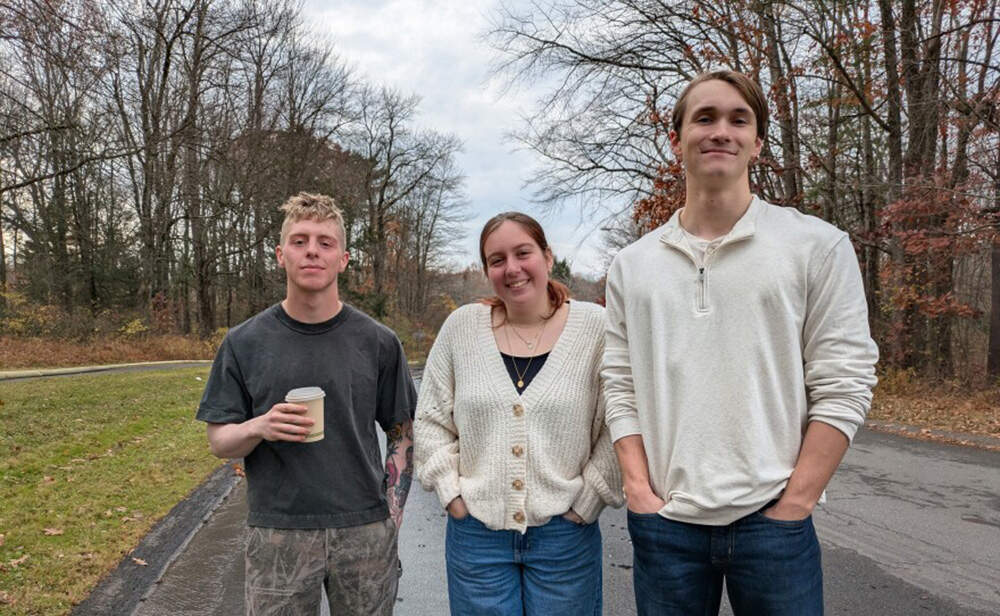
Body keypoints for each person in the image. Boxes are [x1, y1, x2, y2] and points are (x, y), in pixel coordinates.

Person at [602, 70, 879, 616]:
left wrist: (796, 501)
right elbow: (619, 382)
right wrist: (639, 490)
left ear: (758, 141)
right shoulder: (632, 266)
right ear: (677, 138)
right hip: (667, 526)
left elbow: (845, 381)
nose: (720, 131)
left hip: (774, 524)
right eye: (703, 118)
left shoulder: (816, 246)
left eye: (738, 119)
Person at [196, 192, 416, 615]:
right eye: (299, 241)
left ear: (344, 259)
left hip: (364, 529)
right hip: (278, 531)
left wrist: (391, 515)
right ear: (281, 255)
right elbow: (220, 441)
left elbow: (402, 433)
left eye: (325, 242)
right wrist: (259, 426)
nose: (312, 250)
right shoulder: (244, 342)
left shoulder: (378, 342)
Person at [414, 212, 623, 615]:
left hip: (565, 538)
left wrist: (591, 497)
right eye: (497, 259)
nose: (512, 268)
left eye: (522, 252)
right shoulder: (462, 328)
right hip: (476, 537)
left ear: (547, 256)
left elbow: (622, 419)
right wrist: (450, 492)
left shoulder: (596, 329)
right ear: (487, 270)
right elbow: (431, 420)